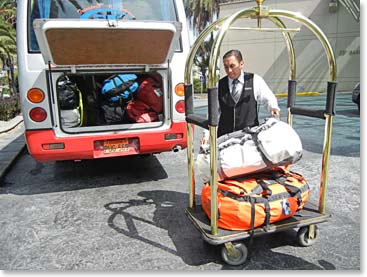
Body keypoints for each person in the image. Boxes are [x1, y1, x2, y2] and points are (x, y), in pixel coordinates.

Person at [201, 49, 280, 143]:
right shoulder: (220, 85)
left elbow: (268, 98)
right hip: (224, 138)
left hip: (248, 137)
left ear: (241, 64)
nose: (229, 70)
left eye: (232, 66)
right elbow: (212, 113)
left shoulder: (254, 80)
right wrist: (206, 135)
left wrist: (273, 107)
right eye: (226, 67)